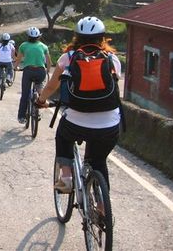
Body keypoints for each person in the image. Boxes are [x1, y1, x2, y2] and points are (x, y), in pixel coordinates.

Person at [37, 16, 121, 193]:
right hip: (109, 124)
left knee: (62, 135)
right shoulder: (112, 59)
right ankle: (102, 208)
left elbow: (52, 85)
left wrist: (41, 100)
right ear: (102, 38)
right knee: (98, 162)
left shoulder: (68, 57)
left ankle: (66, 177)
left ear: (76, 37)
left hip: (76, 121)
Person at [15, 26, 51, 124]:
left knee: (25, 94)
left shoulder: (23, 45)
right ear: (39, 37)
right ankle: (39, 105)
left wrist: (15, 67)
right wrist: (47, 70)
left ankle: (21, 117)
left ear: (28, 36)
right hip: (41, 72)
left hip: (28, 71)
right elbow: (48, 61)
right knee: (39, 87)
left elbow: (18, 59)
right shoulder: (44, 46)